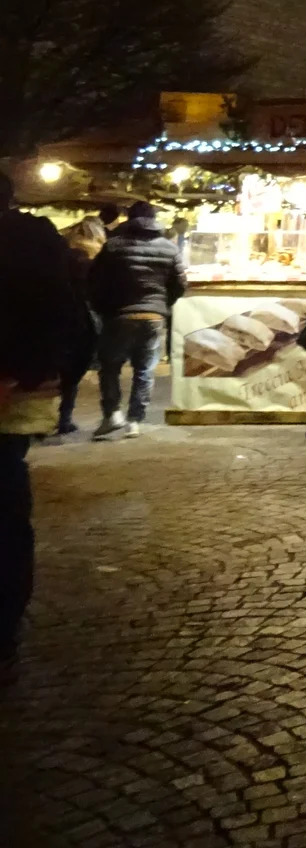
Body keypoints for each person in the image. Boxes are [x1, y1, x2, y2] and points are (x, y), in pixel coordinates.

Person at [0, 171, 84, 656]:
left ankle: (3, 621)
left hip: (10, 394)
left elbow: (61, 321)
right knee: (6, 507)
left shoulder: (27, 244)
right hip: (14, 396)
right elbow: (67, 322)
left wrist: (19, 376)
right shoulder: (34, 242)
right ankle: (3, 621)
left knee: (4, 505)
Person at [88, 201, 186, 440]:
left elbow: (95, 282)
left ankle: (112, 414)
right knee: (144, 369)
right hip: (153, 316)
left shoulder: (113, 246)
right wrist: (162, 305)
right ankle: (135, 421)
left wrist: (103, 309)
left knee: (110, 367)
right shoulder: (169, 248)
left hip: (119, 315)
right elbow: (180, 285)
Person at [56, 217, 107, 434]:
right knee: (74, 371)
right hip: (85, 316)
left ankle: (53, 416)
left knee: (58, 368)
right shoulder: (97, 254)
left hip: (60, 314)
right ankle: (64, 417)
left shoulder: (60, 253)